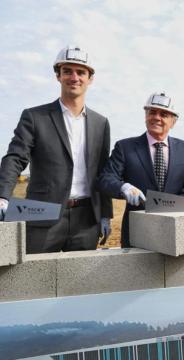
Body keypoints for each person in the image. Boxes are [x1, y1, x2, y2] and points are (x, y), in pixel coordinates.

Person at [0, 45, 112, 253]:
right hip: (42, 215)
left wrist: (105, 213)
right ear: (58, 76)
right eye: (67, 71)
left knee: (79, 283)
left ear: (90, 78)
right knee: (37, 280)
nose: (74, 77)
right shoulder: (34, 117)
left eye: (81, 72)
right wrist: (3, 196)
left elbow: (102, 170)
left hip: (86, 220)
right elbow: (15, 158)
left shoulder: (101, 123)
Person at [98, 92, 184, 247]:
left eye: (164, 114)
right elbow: (105, 178)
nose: (157, 117)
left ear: (173, 121)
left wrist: (181, 204)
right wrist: (123, 187)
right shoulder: (125, 148)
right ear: (146, 116)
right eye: (152, 112)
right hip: (137, 230)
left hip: (173, 228)